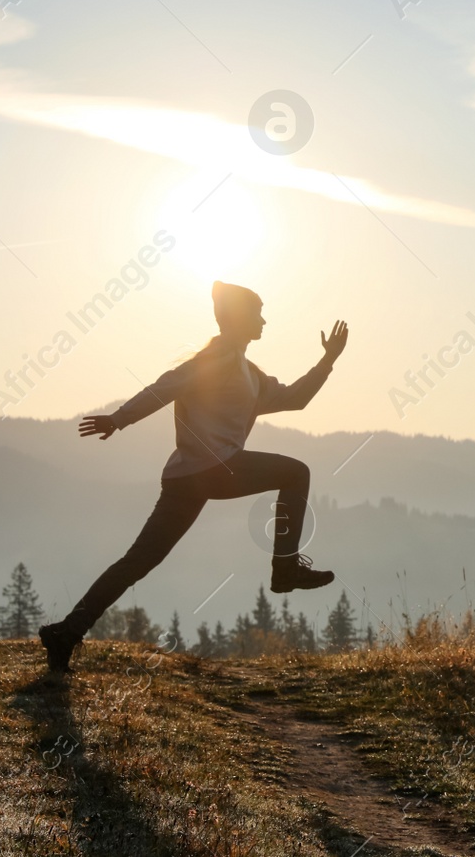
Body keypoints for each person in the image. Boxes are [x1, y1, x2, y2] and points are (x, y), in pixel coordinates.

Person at [39, 281, 347, 672]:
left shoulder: (251, 375)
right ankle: (284, 570)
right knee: (296, 473)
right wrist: (118, 419)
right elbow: (163, 388)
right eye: (257, 313)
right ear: (237, 319)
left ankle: (66, 632)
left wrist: (327, 361)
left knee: (137, 561)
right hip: (214, 470)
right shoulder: (213, 360)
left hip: (189, 479)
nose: (264, 320)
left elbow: (295, 399)